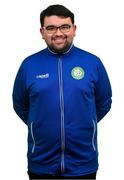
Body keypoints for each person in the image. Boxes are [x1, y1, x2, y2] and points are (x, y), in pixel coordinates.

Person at [12, 4, 112, 180]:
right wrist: (39, 125)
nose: (58, 33)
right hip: (41, 162)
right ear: (42, 32)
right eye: (51, 28)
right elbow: (20, 104)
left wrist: (86, 121)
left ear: (74, 29)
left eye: (64, 27)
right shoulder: (29, 65)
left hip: (83, 163)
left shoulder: (93, 63)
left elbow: (103, 102)